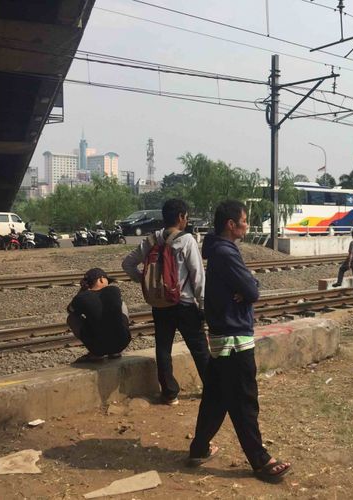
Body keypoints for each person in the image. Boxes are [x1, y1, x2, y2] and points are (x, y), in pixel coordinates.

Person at [188, 200, 291, 483]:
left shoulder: (219, 251)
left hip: (223, 339)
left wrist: (248, 286)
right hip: (235, 339)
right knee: (244, 401)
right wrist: (248, 288)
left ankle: (198, 448)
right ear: (231, 225)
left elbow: (248, 286)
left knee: (215, 398)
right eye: (244, 220)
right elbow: (251, 290)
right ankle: (260, 461)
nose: (247, 224)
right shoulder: (226, 252)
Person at [122, 199, 209, 406]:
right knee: (199, 348)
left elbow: (127, 264)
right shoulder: (187, 240)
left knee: (163, 348)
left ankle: (169, 393)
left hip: (160, 305)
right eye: (186, 216)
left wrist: (142, 279)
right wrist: (203, 304)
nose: (186, 220)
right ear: (180, 217)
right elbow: (198, 275)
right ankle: (212, 388)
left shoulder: (151, 239)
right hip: (184, 303)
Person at [66, 268, 131, 362]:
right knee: (122, 305)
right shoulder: (114, 290)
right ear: (101, 279)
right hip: (122, 343)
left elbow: (70, 310)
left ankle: (95, 355)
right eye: (107, 280)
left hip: (97, 348)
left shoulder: (82, 297)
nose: (108, 283)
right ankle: (115, 352)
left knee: (71, 317)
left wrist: (82, 291)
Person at [332, 228, 353, 295]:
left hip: (352, 261)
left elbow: (351, 254)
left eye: (352, 235)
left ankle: (339, 282)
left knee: (341, 269)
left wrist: (349, 263)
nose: (352, 237)